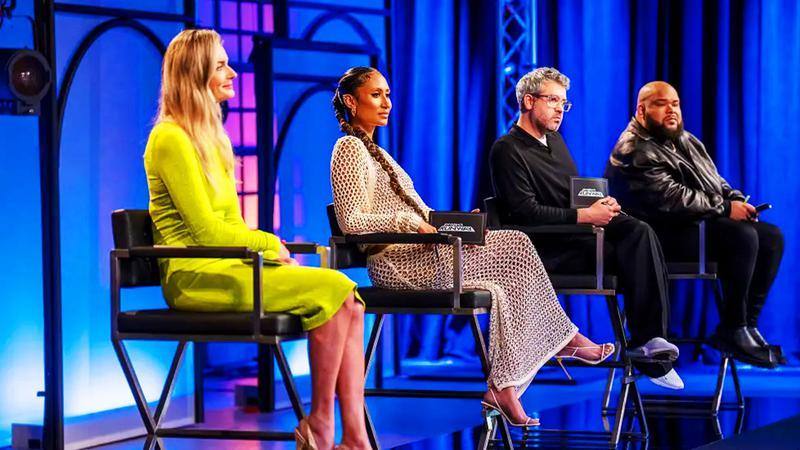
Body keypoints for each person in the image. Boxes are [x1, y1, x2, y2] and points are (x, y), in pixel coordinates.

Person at [330, 66, 615, 428]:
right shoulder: (348, 148)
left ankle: (505, 385)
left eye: (388, 93)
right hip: (398, 263)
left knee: (505, 277)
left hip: (424, 251)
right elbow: (352, 221)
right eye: (376, 95)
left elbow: (421, 213)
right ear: (352, 102)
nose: (386, 102)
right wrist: (410, 224)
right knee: (515, 243)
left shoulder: (379, 153)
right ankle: (562, 341)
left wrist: (457, 221)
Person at [144, 30, 371, 449]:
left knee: (350, 301)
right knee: (337, 288)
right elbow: (206, 233)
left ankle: (353, 436)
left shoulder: (212, 137)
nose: (232, 72)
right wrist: (269, 246)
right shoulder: (170, 138)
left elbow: (227, 225)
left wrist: (267, 253)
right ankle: (322, 423)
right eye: (220, 66)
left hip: (230, 264)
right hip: (193, 276)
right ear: (194, 76)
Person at [489, 67, 684, 389]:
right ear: (527, 101)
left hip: (576, 236)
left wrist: (601, 204)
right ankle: (649, 344)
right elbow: (524, 213)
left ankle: (651, 341)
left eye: (563, 103)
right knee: (637, 250)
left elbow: (572, 194)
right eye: (552, 100)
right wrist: (585, 217)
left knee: (639, 230)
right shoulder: (507, 149)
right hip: (544, 251)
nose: (558, 110)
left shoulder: (555, 142)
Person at [605, 81, 784, 368]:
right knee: (740, 236)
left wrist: (737, 200)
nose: (671, 110)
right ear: (641, 110)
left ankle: (741, 326)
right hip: (657, 238)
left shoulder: (686, 140)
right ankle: (735, 327)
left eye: (675, 104)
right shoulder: (632, 149)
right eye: (662, 104)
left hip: (692, 228)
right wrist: (726, 208)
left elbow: (716, 181)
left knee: (771, 237)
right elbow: (670, 200)